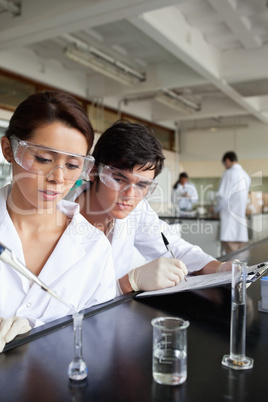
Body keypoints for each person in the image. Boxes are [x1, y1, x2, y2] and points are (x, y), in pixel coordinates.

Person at [0, 91, 115, 352]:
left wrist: (39, 332)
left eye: (73, 165)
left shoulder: (94, 248)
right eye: (43, 159)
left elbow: (100, 339)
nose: (58, 177)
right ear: (9, 150)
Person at [68, 121, 233, 294]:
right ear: (93, 172)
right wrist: (127, 283)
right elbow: (61, 303)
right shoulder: (60, 219)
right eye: (119, 179)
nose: (130, 195)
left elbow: (174, 248)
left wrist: (221, 269)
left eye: (142, 185)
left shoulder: (137, 210)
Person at [213, 151, 251, 254]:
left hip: (229, 225)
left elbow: (223, 197)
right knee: (241, 258)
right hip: (240, 226)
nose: (225, 167)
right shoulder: (246, 175)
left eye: (224, 164)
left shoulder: (228, 174)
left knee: (231, 260)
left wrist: (215, 209)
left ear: (227, 161)